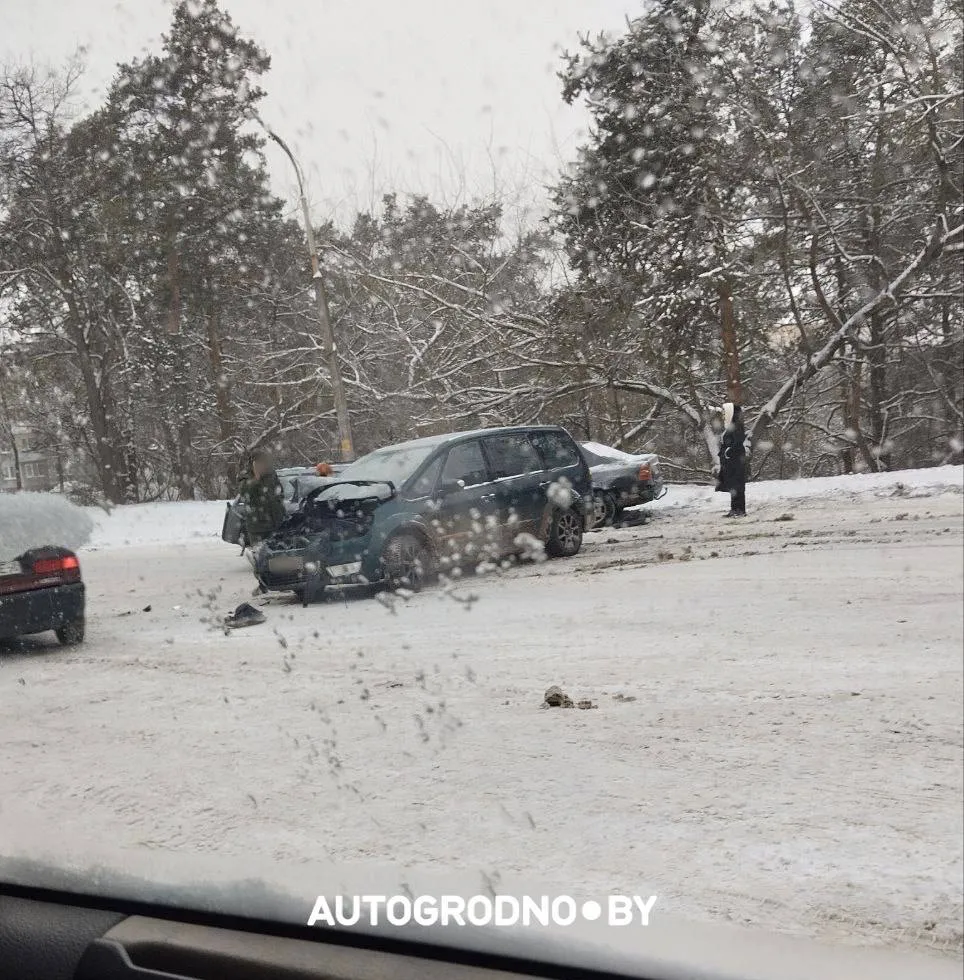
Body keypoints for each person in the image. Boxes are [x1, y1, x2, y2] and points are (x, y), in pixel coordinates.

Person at [237, 450, 286, 545]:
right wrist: (256, 478)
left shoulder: (271, 474)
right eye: (258, 462)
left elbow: (279, 491)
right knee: (261, 555)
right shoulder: (245, 476)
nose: (262, 465)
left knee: (279, 556)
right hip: (258, 528)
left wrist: (280, 509)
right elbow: (245, 494)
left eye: (263, 462)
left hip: (277, 524)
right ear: (253, 464)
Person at [716, 402, 747, 518]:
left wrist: (728, 451)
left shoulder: (736, 426)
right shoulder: (729, 426)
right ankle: (734, 509)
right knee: (733, 486)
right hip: (731, 462)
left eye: (725, 412)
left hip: (736, 461)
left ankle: (740, 510)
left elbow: (738, 442)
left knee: (737, 485)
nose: (723, 415)